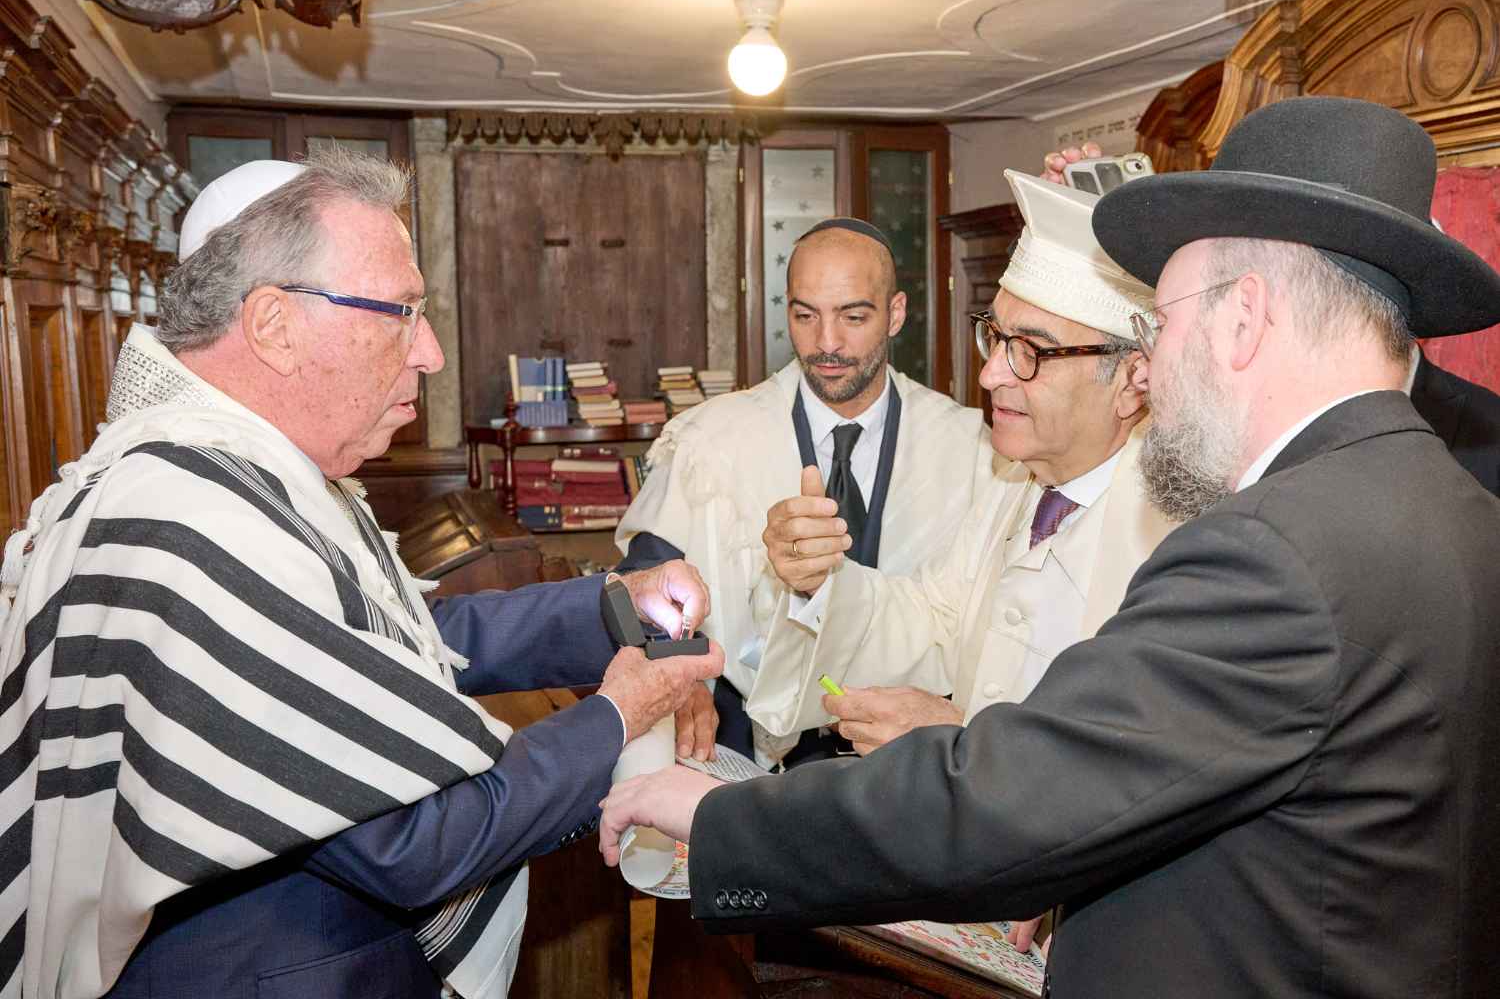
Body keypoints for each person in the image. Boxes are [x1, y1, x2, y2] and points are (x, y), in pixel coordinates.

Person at [599, 97, 1500, 998]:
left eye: (1166, 325)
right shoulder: (1461, 509)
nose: (1157, 366)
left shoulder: (1267, 549)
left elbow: (1030, 793)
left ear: (1243, 319)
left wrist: (724, 818)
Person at [0, 151, 724, 999]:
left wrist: (612, 607)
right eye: (400, 311)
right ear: (274, 324)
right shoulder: (189, 521)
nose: (431, 352)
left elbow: (389, 646)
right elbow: (413, 840)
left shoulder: (244, 475)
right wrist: (618, 714)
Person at [747, 170, 1173, 763]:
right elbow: (934, 619)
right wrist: (820, 579)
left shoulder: (1171, 534)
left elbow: (1149, 762)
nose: (990, 374)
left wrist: (963, 736)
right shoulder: (1017, 484)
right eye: (994, 338)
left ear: (1132, 380)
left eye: (1030, 351)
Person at [614, 217, 994, 764]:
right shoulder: (712, 439)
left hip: (910, 757)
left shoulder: (970, 449)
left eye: (853, 317)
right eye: (805, 316)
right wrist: (675, 675)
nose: (827, 343)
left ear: (895, 314)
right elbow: (643, 583)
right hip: (752, 749)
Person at [1047, 142, 1500, 495]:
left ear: (1246, 314)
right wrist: (1059, 237)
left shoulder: (1489, 434)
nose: (1145, 372)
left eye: (1163, 325)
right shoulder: (1224, 420)